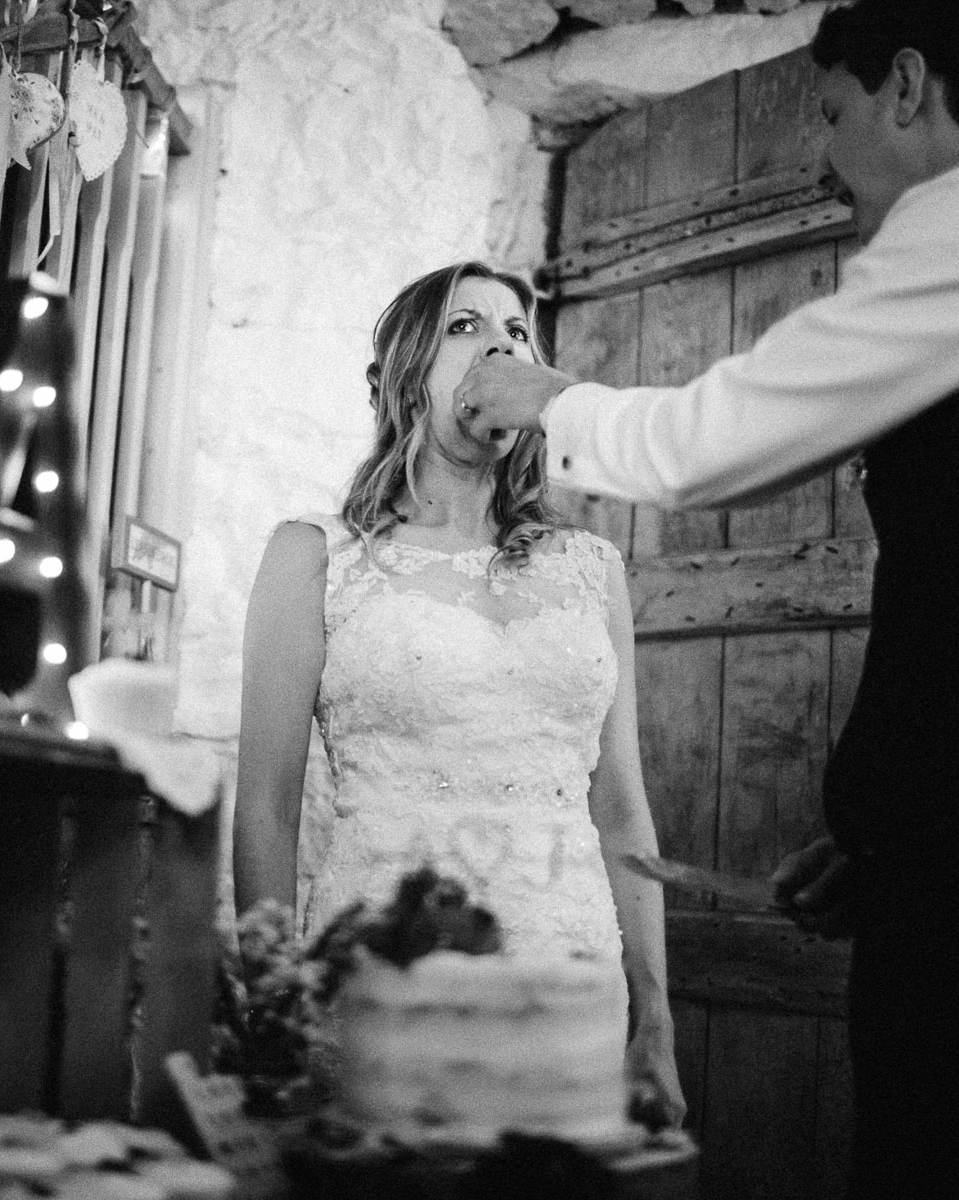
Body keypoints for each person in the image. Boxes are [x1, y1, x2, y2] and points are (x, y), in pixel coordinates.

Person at [452, 1, 959, 1197]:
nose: (824, 157)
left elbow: (707, 447)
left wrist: (541, 391)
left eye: (830, 112)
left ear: (907, 85)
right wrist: (914, 827)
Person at [234, 260, 685, 1124]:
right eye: (465, 326)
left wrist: (656, 1022)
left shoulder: (591, 571)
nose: (503, 346)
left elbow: (621, 806)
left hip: (570, 983)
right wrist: (274, 1003)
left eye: (518, 331)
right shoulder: (314, 557)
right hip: (385, 981)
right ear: (401, 379)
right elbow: (265, 807)